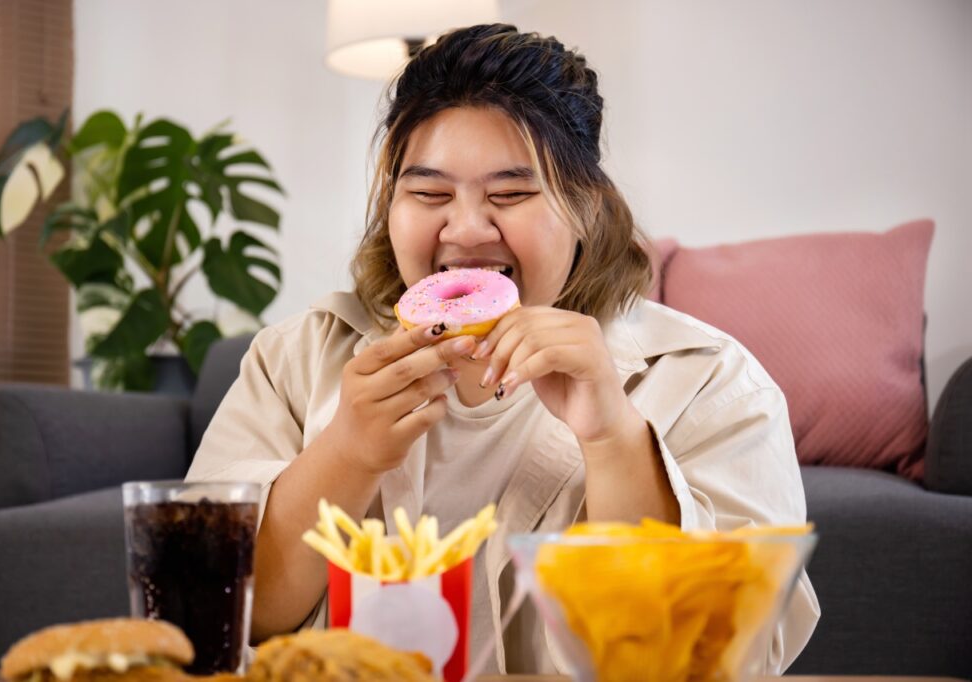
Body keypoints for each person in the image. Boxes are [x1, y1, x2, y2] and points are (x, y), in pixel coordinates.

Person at [187, 23, 819, 675]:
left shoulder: (713, 384)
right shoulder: (292, 361)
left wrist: (613, 437)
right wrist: (347, 452)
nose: (465, 229)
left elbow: (718, 661)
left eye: (510, 195)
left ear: (588, 208)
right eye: (428, 194)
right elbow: (211, 613)